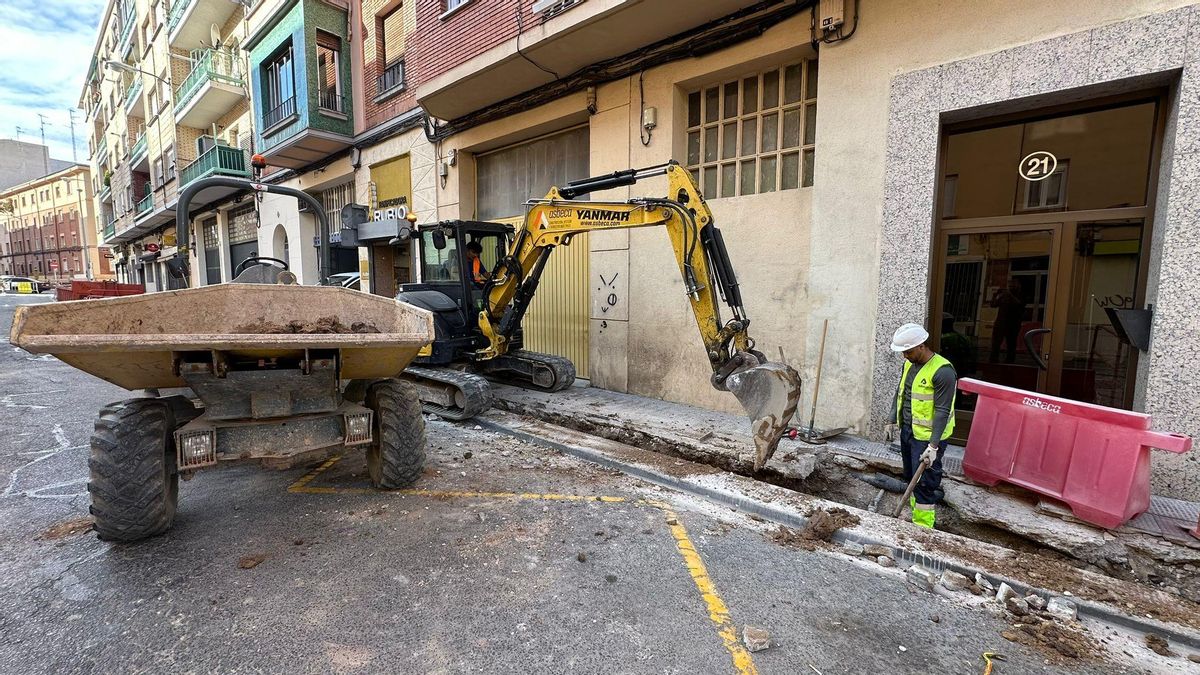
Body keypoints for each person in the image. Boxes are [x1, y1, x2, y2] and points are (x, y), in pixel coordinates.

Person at [889, 322, 957, 529]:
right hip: (909, 432)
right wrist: (891, 419)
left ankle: (923, 529)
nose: (905, 356)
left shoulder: (943, 371)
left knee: (926, 483)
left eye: (908, 351)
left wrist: (933, 446)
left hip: (928, 438)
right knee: (911, 476)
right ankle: (913, 518)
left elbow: (943, 411)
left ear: (921, 346)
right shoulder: (909, 364)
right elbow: (900, 392)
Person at [989, 279, 1025, 363]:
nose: (1011, 287)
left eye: (1013, 285)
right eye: (1010, 285)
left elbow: (1019, 304)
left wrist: (1010, 295)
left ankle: (1009, 361)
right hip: (1001, 322)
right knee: (996, 343)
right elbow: (993, 304)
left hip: (1013, 324)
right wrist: (996, 295)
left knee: (1011, 344)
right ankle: (993, 359)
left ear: (1018, 286)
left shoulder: (1020, 295)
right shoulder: (1004, 295)